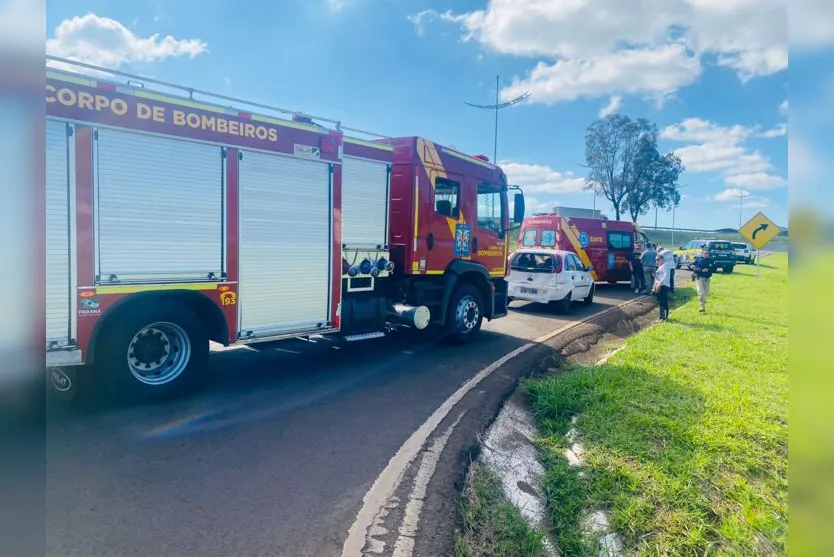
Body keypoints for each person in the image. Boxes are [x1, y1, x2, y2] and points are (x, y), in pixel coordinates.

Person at [690, 247, 713, 313]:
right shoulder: (698, 259)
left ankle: (703, 301)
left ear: (709, 254)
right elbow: (692, 266)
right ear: (702, 254)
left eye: (707, 253)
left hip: (707, 279)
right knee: (701, 292)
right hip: (699, 278)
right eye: (705, 253)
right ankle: (701, 307)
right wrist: (700, 270)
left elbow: (714, 269)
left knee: (706, 293)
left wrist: (708, 270)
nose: (706, 254)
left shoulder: (711, 260)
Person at [652, 253, 671, 321]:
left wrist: (660, 282)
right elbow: (658, 277)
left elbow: (666, 275)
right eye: (656, 260)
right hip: (658, 285)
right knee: (660, 302)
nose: (657, 261)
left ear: (662, 259)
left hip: (663, 286)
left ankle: (664, 317)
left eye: (658, 260)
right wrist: (655, 284)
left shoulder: (665, 265)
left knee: (663, 301)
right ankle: (661, 317)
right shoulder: (660, 267)